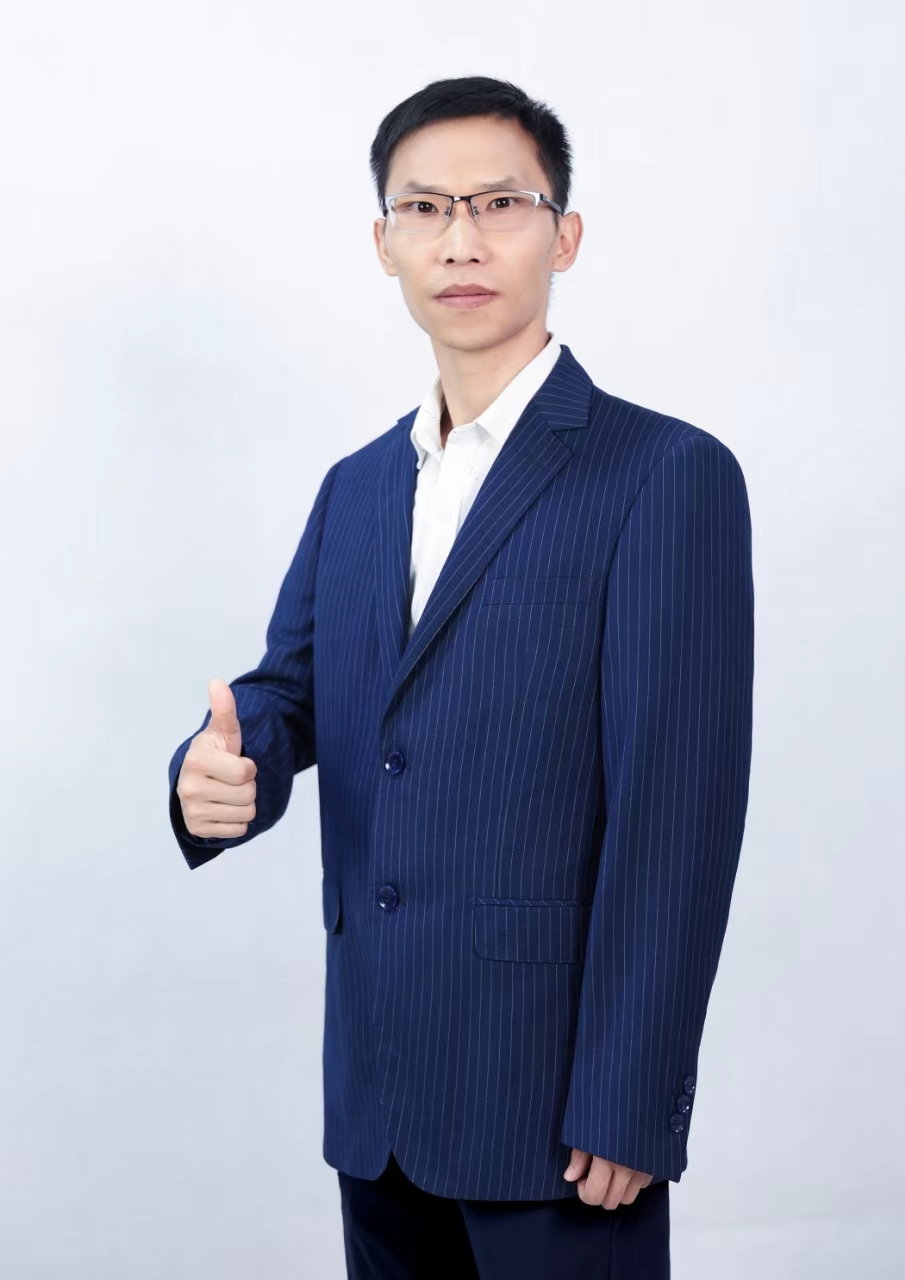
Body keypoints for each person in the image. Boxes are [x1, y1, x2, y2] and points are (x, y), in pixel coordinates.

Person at [167, 74, 754, 1280]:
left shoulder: (663, 473)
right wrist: (219, 767)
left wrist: (631, 1091)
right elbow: (290, 691)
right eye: (425, 208)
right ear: (384, 243)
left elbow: (676, 811)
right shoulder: (356, 486)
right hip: (377, 1087)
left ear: (563, 234)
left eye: (498, 203)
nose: (460, 239)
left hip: (555, 1109)